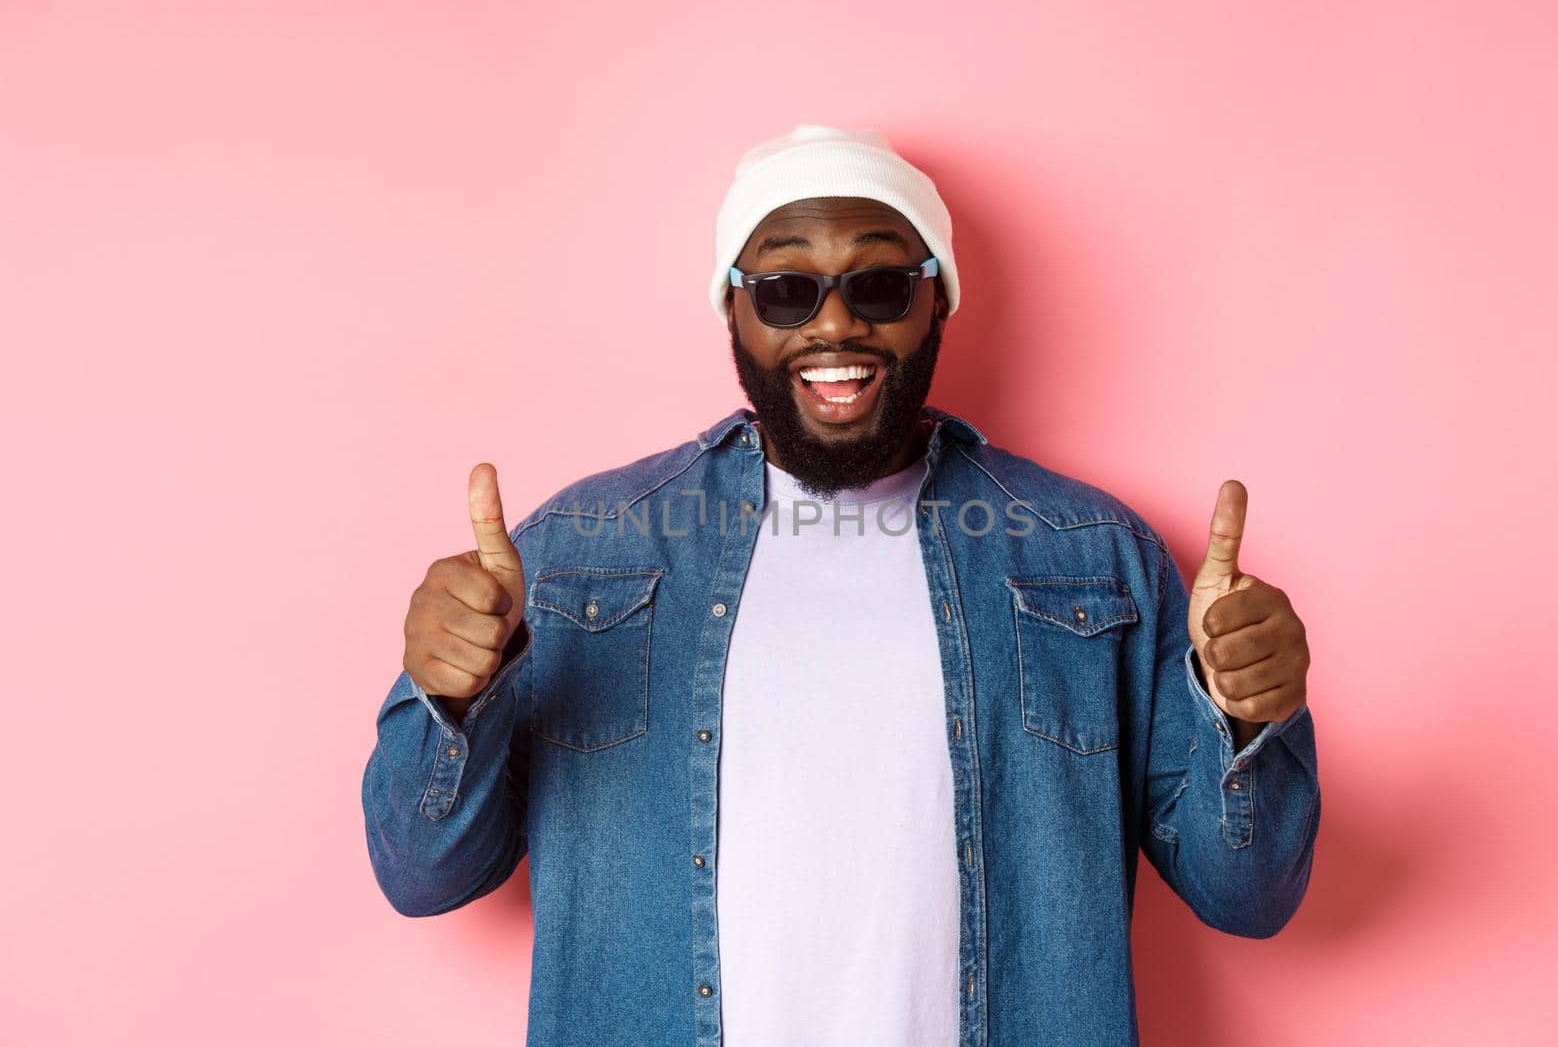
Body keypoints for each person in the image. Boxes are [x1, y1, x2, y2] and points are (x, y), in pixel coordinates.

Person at [361, 124, 1320, 1046]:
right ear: (731, 308)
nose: (833, 321)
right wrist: (450, 698)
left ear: (937, 299)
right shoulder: (581, 553)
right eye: (785, 288)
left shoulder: (1090, 557)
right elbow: (423, 872)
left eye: (880, 283)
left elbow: (1250, 894)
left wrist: (1249, 720)